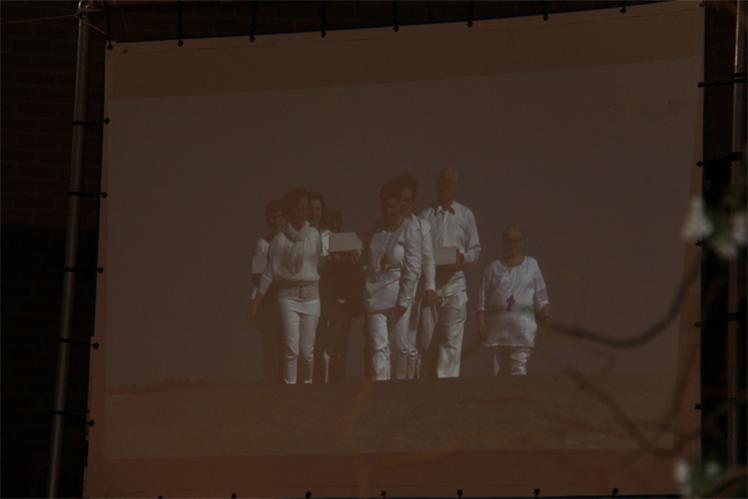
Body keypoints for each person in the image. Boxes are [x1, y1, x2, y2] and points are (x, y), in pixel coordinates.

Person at [251, 187, 323, 384]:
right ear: (291, 210)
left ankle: (307, 386)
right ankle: (290, 389)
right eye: (300, 208)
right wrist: (256, 301)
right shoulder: (279, 240)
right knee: (291, 349)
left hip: (311, 297)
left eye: (306, 208)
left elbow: (317, 262)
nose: (304, 212)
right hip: (288, 298)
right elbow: (269, 272)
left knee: (307, 352)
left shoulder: (314, 235)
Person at [418, 168, 481, 378]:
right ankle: (425, 387)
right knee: (426, 343)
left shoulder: (466, 214)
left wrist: (463, 258)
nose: (446, 186)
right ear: (437, 186)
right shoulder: (425, 216)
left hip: (455, 285)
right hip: (431, 286)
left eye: (451, 182)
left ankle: (446, 389)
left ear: (456, 187)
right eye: (443, 182)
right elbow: (416, 248)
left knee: (450, 341)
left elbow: (475, 250)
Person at [363, 180, 422, 381]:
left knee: (399, 346)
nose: (388, 211)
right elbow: (367, 259)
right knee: (378, 345)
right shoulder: (375, 229)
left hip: (399, 295)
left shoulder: (410, 229)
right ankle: (380, 388)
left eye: (392, 206)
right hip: (375, 293)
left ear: (400, 204)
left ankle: (401, 387)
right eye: (385, 207)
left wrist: (405, 299)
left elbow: (413, 268)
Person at [477, 226, 550, 376]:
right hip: (496, 332)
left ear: (522, 242)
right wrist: (481, 322)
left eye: (516, 240)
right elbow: (481, 300)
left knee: (518, 371)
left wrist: (546, 320)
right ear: (503, 243)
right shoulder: (492, 268)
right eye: (509, 241)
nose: (513, 244)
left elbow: (542, 298)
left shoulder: (531, 265)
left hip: (522, 331)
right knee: (495, 374)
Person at [394, 174, 436, 379]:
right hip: (392, 285)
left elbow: (428, 257)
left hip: (415, 287)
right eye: (401, 200)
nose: (405, 204)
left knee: (411, 336)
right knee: (396, 338)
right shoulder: (390, 224)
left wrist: (430, 286)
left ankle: (409, 382)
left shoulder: (422, 225)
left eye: (408, 200)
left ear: (413, 202)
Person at [315, 209, 364, 382]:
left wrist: (350, 257)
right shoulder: (320, 239)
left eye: (336, 223)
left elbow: (359, 263)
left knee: (341, 343)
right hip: (326, 298)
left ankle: (337, 380)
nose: (333, 226)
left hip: (345, 300)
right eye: (329, 222)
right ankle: (323, 379)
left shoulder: (350, 241)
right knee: (325, 343)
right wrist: (330, 259)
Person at [251, 199, 285, 384]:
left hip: (287, 297)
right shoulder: (262, 244)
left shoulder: (290, 242)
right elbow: (257, 276)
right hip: (269, 300)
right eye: (272, 217)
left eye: (278, 217)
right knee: (270, 344)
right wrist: (254, 302)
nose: (275, 221)